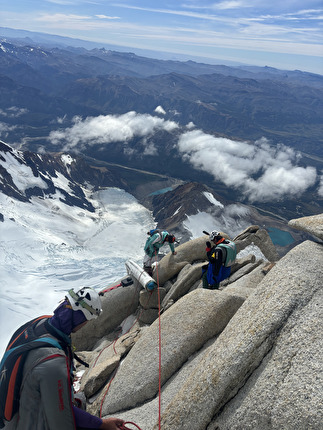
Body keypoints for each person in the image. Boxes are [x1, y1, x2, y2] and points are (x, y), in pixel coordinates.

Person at [3, 287, 125, 430]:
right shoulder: (52, 362)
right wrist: (102, 424)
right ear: (81, 317)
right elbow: (62, 422)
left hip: (12, 414)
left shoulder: (38, 323)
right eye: (87, 320)